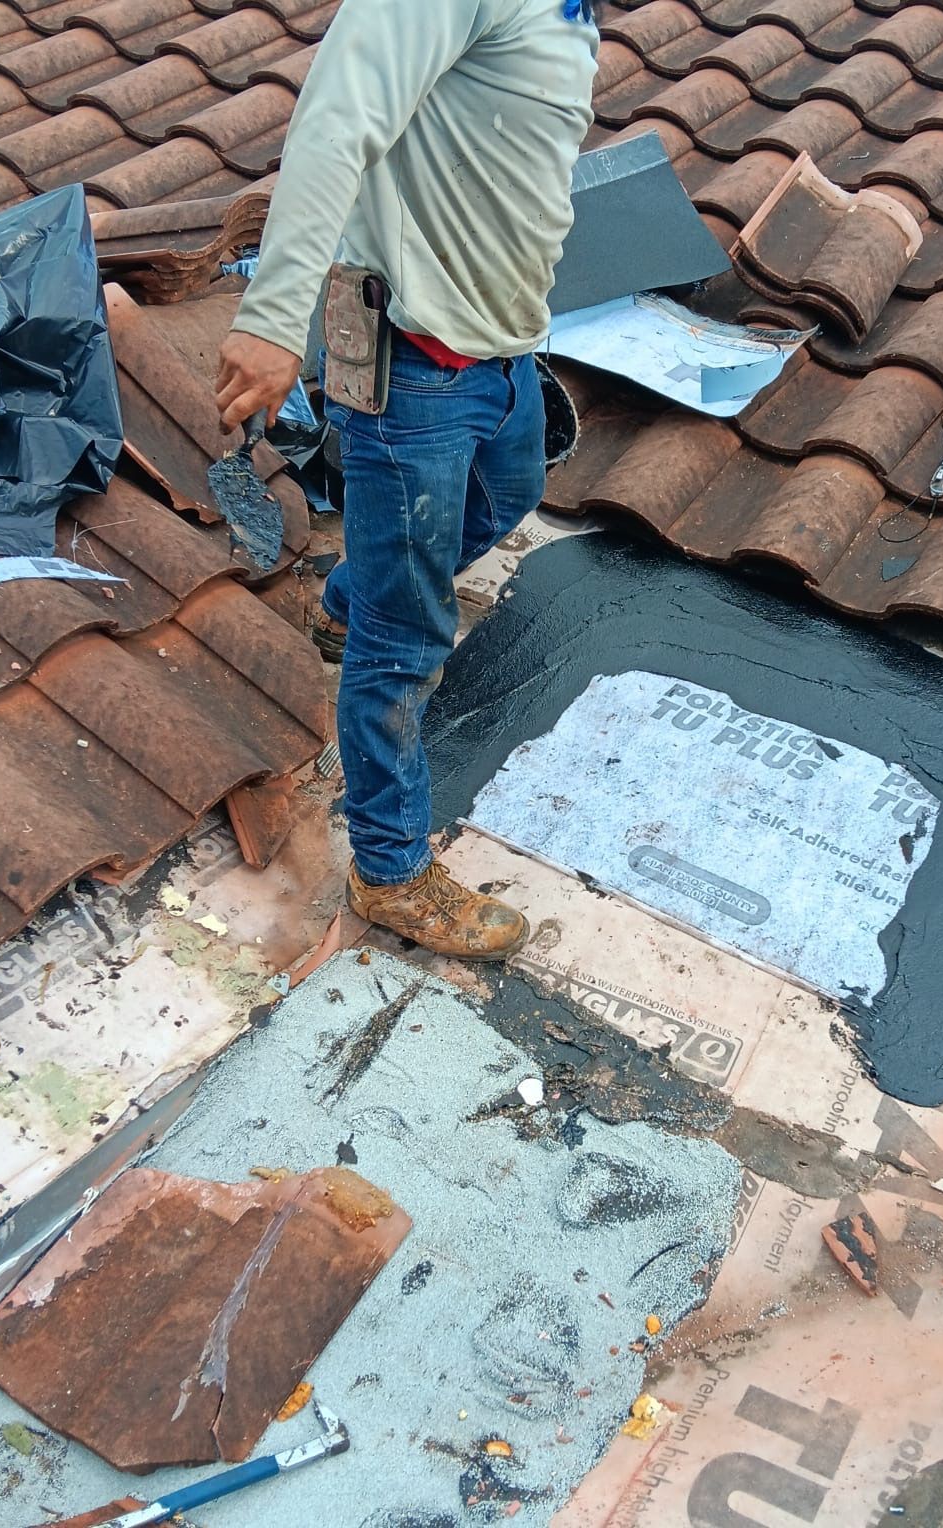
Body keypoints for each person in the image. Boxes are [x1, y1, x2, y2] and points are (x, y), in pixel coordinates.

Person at [215, 1, 598, 959]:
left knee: (505, 498)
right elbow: (334, 122)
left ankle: (349, 601)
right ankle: (389, 871)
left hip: (500, 349)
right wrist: (273, 318)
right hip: (414, 364)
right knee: (405, 640)